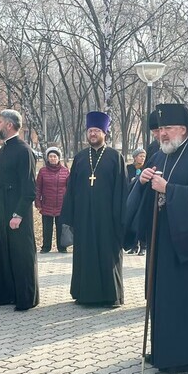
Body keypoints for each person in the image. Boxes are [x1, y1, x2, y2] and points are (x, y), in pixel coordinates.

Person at [126, 103, 188, 373]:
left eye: (168, 129)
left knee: (185, 299)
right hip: (161, 239)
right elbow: (145, 196)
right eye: (160, 129)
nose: (162, 134)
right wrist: (142, 182)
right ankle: (163, 351)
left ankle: (186, 356)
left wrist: (169, 189)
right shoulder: (159, 156)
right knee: (162, 298)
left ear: (184, 129)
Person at [61, 112, 128, 307]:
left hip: (108, 218)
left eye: (97, 131)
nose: (92, 134)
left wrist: (119, 218)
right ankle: (85, 295)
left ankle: (111, 296)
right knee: (85, 254)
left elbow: (122, 190)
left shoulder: (116, 157)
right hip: (83, 217)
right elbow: (71, 189)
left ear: (104, 133)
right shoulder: (80, 158)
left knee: (108, 255)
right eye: (90, 130)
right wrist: (70, 216)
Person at [0, 109, 39, 310]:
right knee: (3, 253)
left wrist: (19, 214)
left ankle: (25, 298)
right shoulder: (3, 150)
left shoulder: (24, 151)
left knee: (21, 254)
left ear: (8, 125)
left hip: (16, 211)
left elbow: (30, 188)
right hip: (1, 208)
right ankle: (6, 295)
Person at [35, 147, 70, 253]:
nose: (53, 158)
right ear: (47, 158)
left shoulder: (65, 171)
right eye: (50, 156)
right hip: (47, 203)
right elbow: (38, 188)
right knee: (47, 228)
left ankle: (62, 247)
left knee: (61, 227)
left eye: (55, 156)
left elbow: (69, 189)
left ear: (59, 158)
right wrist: (38, 202)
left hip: (61, 204)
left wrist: (69, 204)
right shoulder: (42, 171)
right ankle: (46, 247)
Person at [125, 148, 146, 255]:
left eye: (144, 156)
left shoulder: (146, 168)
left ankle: (143, 246)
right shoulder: (129, 168)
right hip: (131, 198)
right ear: (135, 157)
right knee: (132, 222)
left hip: (142, 199)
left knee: (141, 222)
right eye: (140, 156)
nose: (142, 158)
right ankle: (134, 246)